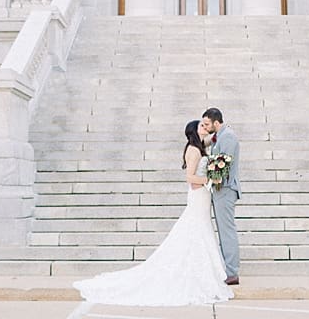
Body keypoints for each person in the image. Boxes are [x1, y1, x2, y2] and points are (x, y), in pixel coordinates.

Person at [73, 120, 233, 306]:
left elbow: (214, 139)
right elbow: (190, 178)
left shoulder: (199, 147)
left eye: (206, 126)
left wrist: (221, 134)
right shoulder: (193, 150)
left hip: (202, 197)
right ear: (194, 131)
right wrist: (211, 179)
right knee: (195, 231)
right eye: (202, 126)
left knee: (201, 230)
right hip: (198, 195)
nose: (205, 128)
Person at [200, 106, 240, 285]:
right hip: (219, 190)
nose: (205, 126)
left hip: (225, 189)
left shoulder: (228, 137)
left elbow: (220, 167)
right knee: (223, 231)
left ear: (217, 122)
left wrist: (204, 182)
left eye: (207, 124)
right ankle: (226, 268)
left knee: (226, 231)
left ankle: (232, 272)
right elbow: (204, 143)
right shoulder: (218, 136)